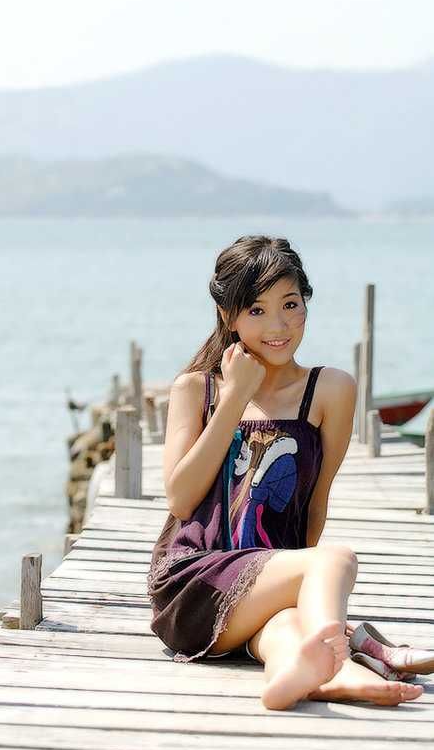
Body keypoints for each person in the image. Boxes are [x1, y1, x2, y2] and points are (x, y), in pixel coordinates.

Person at [147, 234, 424, 710]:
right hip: (192, 584)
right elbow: (181, 498)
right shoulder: (197, 390)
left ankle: (314, 679)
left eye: (290, 305)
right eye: (256, 310)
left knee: (287, 633)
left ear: (306, 305)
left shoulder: (330, 389)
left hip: (263, 590)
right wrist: (236, 396)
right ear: (228, 316)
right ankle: (342, 660)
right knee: (336, 559)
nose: (278, 325)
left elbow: (315, 504)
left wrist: (300, 592)